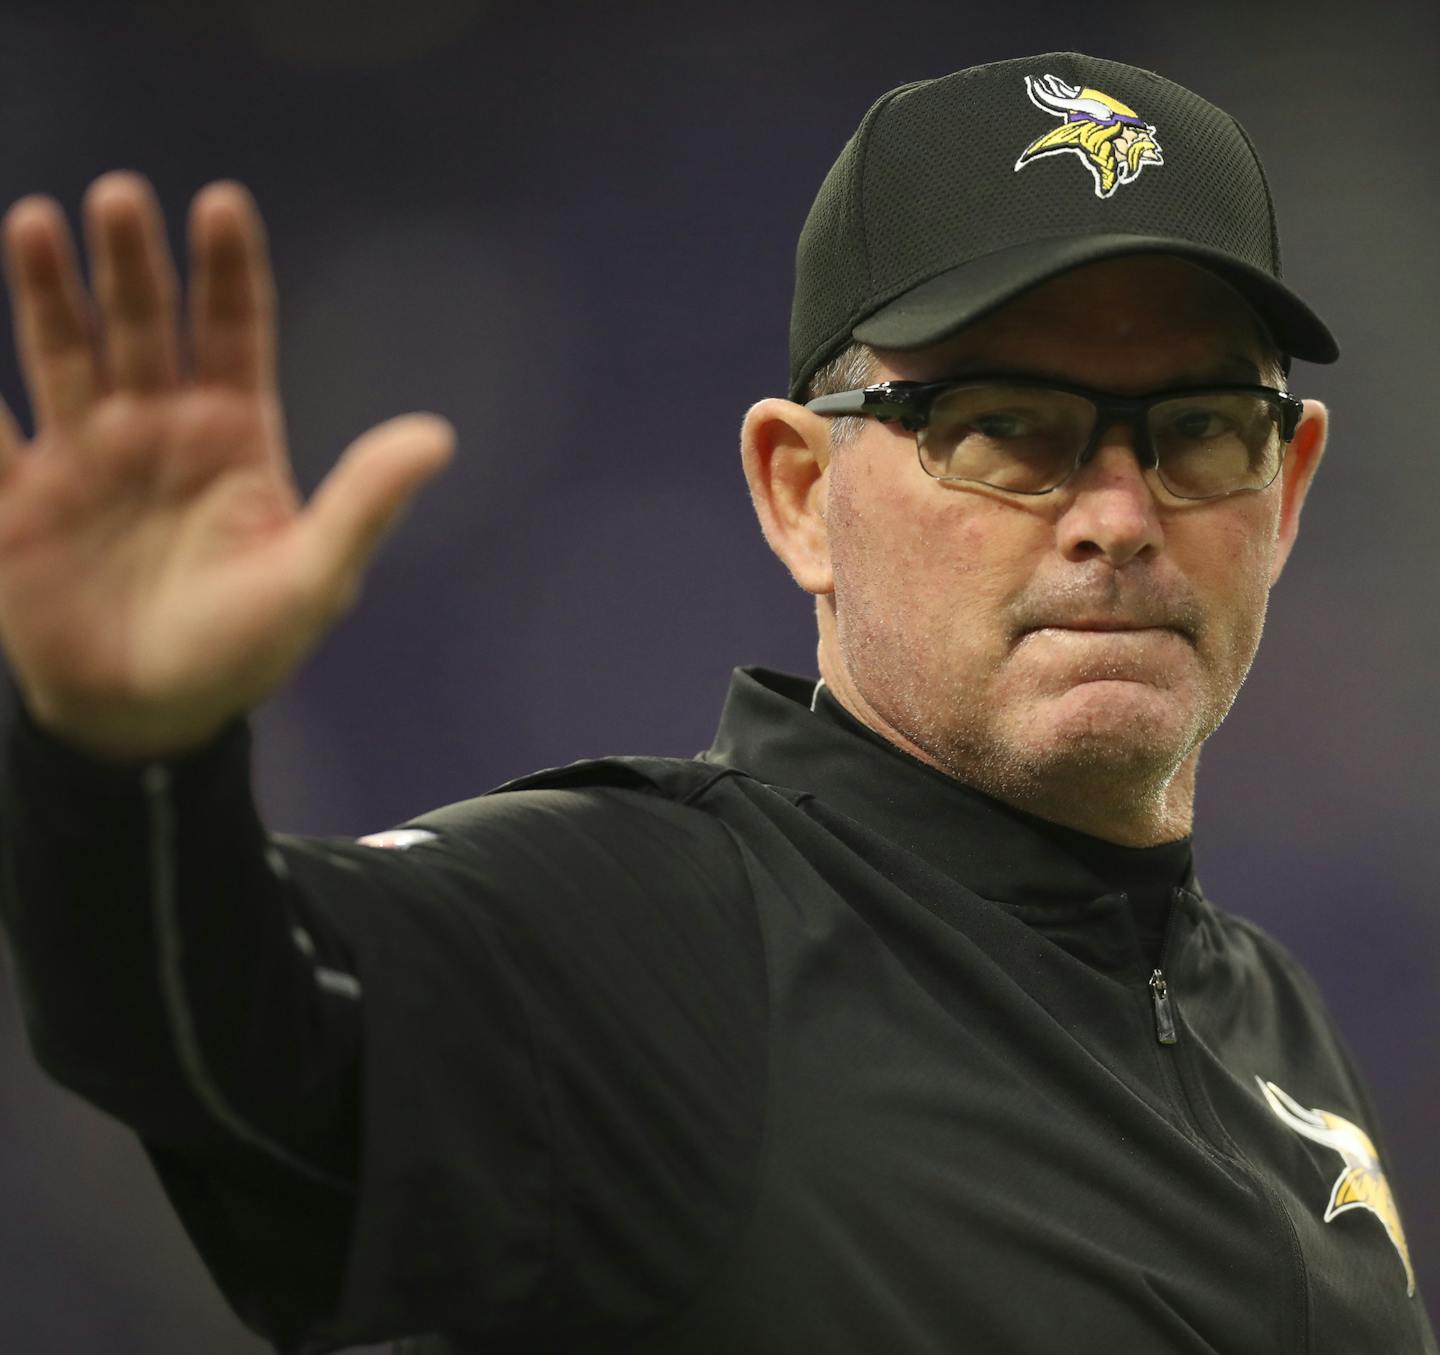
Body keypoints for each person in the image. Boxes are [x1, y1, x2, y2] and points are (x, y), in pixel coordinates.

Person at [0, 48, 1432, 1355]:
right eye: (1009, 429)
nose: (1119, 517)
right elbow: (217, 1030)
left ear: (1287, 489)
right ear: (800, 492)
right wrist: (129, 763)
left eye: (1196, 431)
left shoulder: (1273, 1018)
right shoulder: (651, 935)